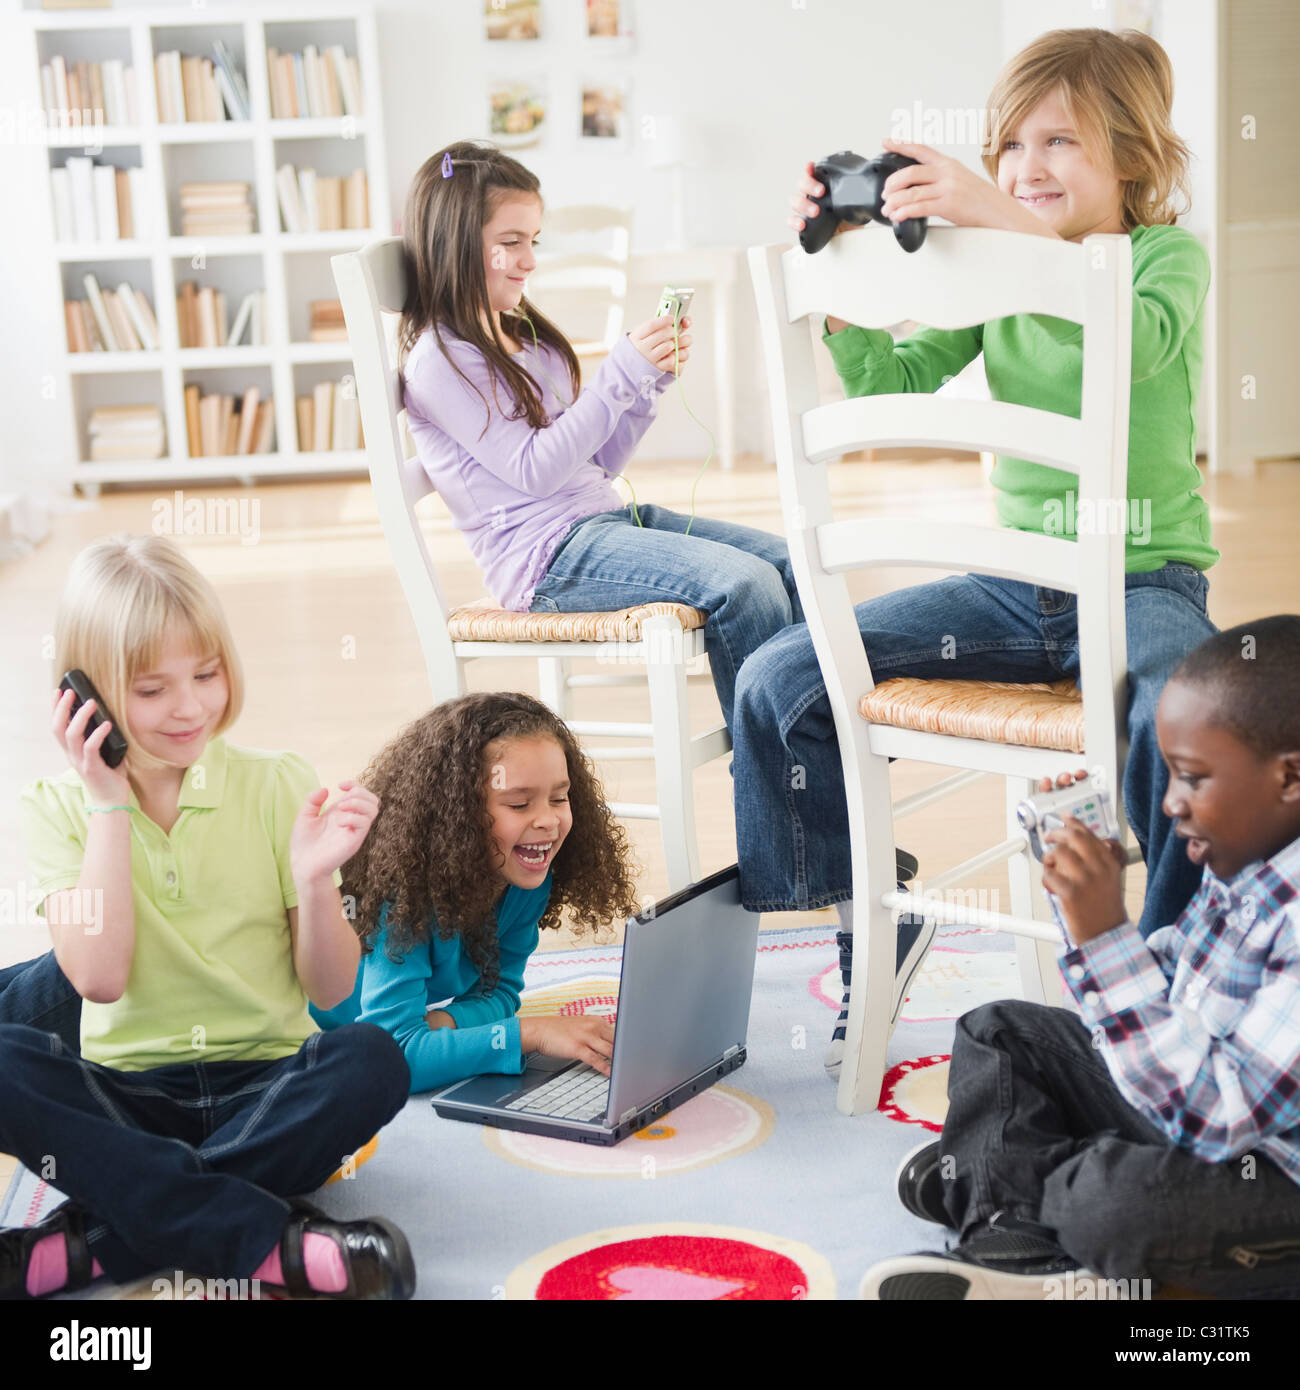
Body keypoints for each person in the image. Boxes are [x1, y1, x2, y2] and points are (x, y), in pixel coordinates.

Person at [742, 26, 1217, 1077]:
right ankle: (867, 922)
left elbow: (1136, 339)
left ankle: (1180, 980)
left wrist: (996, 220)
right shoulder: (998, 268)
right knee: (781, 674)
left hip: (1142, 580)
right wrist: (834, 286)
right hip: (1016, 592)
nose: (1023, 168)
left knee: (1187, 718)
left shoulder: (1164, 259)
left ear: (1133, 159)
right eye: (1009, 147)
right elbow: (884, 386)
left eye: (1059, 144)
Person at [0, 534, 415, 1301]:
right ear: (82, 698)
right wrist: (107, 806)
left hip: (269, 1090)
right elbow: (97, 977)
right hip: (126, 1103)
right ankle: (261, 1239)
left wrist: (316, 880)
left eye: (207, 674)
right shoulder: (56, 808)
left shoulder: (275, 780)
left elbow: (329, 987)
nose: (190, 707)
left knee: (373, 1058)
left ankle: (96, 1243)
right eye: (152, 689)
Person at [862, 617, 1300, 1300]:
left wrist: (1106, 941)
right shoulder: (1245, 858)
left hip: (1266, 1173)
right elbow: (1167, 999)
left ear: (1289, 778)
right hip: (1190, 1109)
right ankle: (1012, 1236)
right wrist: (1087, 915)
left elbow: (1220, 1118)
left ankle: (1009, 1185)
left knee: (1110, 1196)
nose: (1169, 805)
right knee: (998, 1031)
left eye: (1191, 779)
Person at [397, 139, 804, 731]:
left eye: (533, 241)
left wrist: (647, 388)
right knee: (745, 585)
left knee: (789, 567)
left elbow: (597, 466)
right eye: (509, 243)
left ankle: (808, 751)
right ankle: (782, 775)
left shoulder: (526, 339)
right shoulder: (439, 359)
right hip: (544, 560)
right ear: (453, 243)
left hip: (599, 523)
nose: (529, 260)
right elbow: (535, 471)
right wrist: (619, 376)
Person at [311, 692, 641, 1091]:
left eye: (559, 798)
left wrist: (447, 1024)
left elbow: (501, 992)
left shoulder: (526, 874)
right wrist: (529, 1034)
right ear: (458, 815)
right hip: (294, 1031)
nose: (548, 821)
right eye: (519, 804)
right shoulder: (405, 896)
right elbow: (391, 1057)